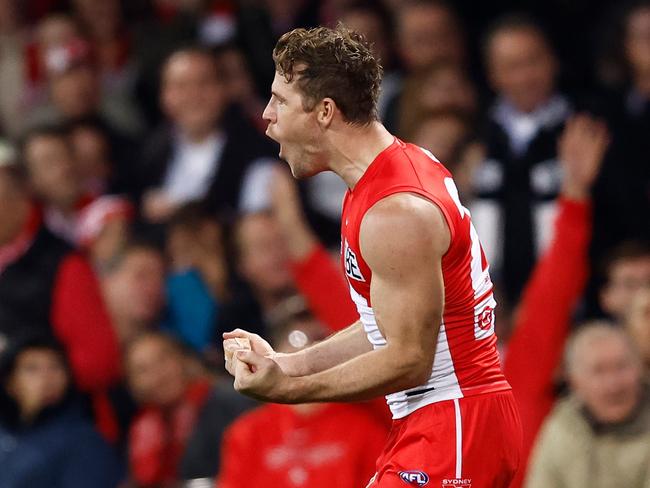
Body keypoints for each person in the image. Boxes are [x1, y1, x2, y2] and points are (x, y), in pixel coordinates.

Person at [223, 26, 521, 487]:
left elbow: (408, 358)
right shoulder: (385, 178)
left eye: (280, 101)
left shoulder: (394, 211)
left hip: (456, 424)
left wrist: (290, 390)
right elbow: (390, 323)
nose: (267, 116)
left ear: (324, 111)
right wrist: (290, 363)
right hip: (446, 422)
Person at [218, 304, 388, 488]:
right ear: (275, 347)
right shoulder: (247, 433)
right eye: (295, 340)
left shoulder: (366, 428)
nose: (305, 348)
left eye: (319, 340)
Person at [524, 323, 650, 488]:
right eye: (599, 371)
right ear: (575, 383)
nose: (613, 385)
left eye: (621, 367)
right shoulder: (563, 427)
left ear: (640, 368)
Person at [0, 333, 123, 488]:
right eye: (32, 369)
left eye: (55, 367)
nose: (47, 378)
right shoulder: (5, 432)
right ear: (10, 385)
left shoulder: (84, 441)